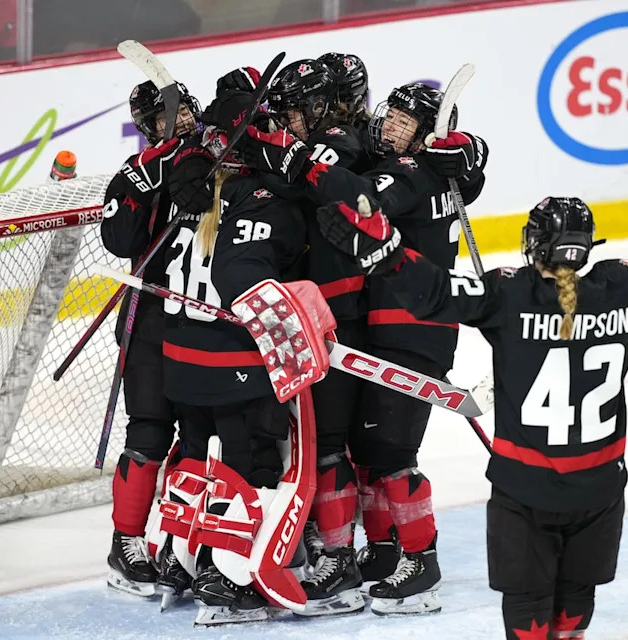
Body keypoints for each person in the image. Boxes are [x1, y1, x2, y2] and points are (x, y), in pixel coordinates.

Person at [314, 173, 628, 638]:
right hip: (599, 489)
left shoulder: (510, 294)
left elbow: (433, 293)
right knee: (574, 611)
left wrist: (383, 250)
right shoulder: (623, 285)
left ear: (535, 245)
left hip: (525, 490)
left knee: (528, 613)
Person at [243, 81, 489, 615]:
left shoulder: (412, 170)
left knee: (391, 453)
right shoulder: (434, 169)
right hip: (401, 326)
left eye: (406, 122)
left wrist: (298, 162)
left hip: (408, 327)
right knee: (375, 451)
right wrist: (470, 157)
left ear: (428, 136)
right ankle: (380, 552)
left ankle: (420, 563)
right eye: (392, 116)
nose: (391, 126)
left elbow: (362, 198)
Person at [156, 92, 309, 625]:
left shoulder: (188, 192)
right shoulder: (264, 199)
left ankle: (183, 556)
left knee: (196, 456)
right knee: (250, 465)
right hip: (234, 361)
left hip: (179, 358)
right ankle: (230, 576)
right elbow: (255, 276)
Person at [263, 57, 373, 617]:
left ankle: (341, 557)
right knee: (308, 439)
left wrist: (268, 142)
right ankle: (328, 543)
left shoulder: (342, 141)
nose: (291, 119)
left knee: (328, 440)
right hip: (302, 311)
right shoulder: (312, 140)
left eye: (297, 109)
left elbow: (307, 173)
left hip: (335, 313)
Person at [99, 79, 211, 597]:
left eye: (185, 109)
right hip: (148, 316)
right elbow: (118, 238)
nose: (181, 120)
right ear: (147, 129)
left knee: (197, 434)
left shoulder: (219, 151)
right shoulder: (135, 173)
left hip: (202, 316)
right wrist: (156, 172)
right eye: (166, 117)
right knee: (148, 430)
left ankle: (179, 543)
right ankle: (126, 544)